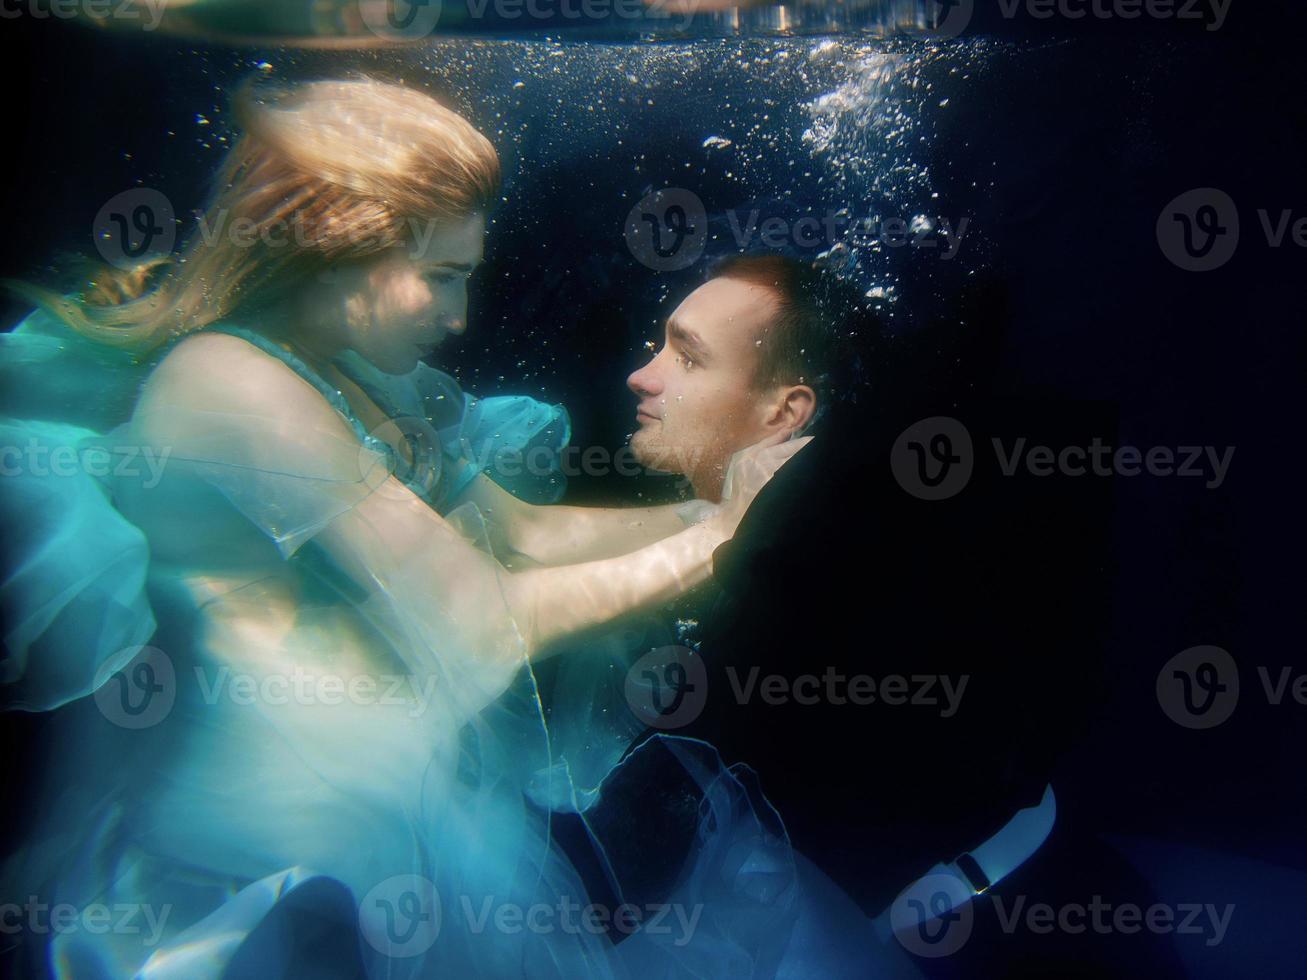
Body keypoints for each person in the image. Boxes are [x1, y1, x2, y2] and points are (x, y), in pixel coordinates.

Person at [0, 77, 805, 978]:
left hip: (377, 846)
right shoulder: (227, 382)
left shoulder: (334, 370)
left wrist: (713, 505)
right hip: (253, 886)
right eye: (440, 278)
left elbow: (520, 534)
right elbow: (480, 622)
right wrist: (727, 535)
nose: (457, 316)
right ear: (340, 243)